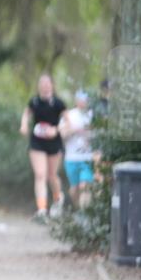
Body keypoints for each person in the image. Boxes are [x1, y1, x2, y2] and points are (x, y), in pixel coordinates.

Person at [20, 74, 67, 223]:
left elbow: (67, 121)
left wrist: (56, 129)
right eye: (42, 83)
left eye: (48, 83)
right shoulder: (34, 101)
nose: (45, 85)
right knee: (40, 175)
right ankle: (41, 210)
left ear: (52, 85)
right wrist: (24, 124)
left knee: (51, 175)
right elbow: (26, 113)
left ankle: (58, 199)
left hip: (54, 143)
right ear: (39, 85)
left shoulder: (59, 103)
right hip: (37, 142)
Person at [60, 89, 94, 209]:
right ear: (76, 100)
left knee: (84, 186)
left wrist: (89, 133)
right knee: (74, 189)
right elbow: (62, 134)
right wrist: (74, 130)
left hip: (87, 157)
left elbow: (99, 135)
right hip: (72, 157)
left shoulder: (93, 115)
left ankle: (85, 215)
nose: (83, 102)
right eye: (80, 99)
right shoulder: (69, 115)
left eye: (85, 100)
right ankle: (78, 210)